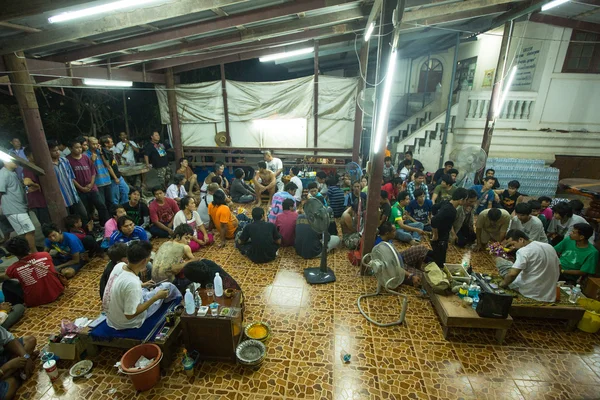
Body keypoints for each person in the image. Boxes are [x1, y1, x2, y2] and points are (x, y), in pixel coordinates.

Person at [103, 241, 180, 330]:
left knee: (145, 291)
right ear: (144, 261)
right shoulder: (132, 284)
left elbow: (122, 286)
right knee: (167, 286)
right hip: (127, 323)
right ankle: (179, 306)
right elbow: (130, 315)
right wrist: (156, 297)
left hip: (113, 319)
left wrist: (142, 285)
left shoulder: (119, 266)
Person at [496, 229, 559, 302]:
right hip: (549, 294)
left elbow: (512, 274)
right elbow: (559, 267)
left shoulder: (524, 250)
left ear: (521, 240)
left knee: (500, 261)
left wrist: (502, 284)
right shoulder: (549, 246)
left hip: (530, 292)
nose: (514, 247)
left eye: (513, 244)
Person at [1, 237, 64, 308]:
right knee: (52, 268)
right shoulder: (45, 255)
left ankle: (12, 307)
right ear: (28, 246)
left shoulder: (13, 268)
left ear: (12, 253)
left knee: (7, 284)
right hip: (57, 291)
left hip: (35, 301)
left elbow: (3, 277)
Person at [67, 139, 111, 225]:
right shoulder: (67, 160)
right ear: (70, 148)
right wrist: (81, 188)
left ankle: (105, 225)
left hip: (92, 187)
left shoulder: (85, 157)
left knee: (101, 206)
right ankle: (90, 229)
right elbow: (70, 177)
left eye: (80, 147)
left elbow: (93, 171)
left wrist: (91, 184)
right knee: (86, 211)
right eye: (76, 148)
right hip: (80, 190)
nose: (79, 149)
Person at [0, 159, 37, 253]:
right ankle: (34, 253)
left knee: (28, 231)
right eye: (13, 161)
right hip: (13, 209)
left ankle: (30, 253)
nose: (16, 163)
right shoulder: (3, 174)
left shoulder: (13, 173)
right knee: (29, 230)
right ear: (5, 161)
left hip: (20, 207)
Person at [48, 141, 88, 223]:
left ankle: (87, 232)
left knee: (83, 214)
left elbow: (71, 177)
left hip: (73, 194)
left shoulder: (64, 160)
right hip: (62, 197)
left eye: (58, 150)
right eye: (54, 151)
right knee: (68, 220)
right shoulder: (48, 165)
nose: (57, 152)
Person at [430, 188, 468, 268]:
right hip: (441, 237)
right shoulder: (450, 210)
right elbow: (434, 221)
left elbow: (434, 208)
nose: (465, 202)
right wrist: (435, 235)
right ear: (461, 200)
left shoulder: (446, 202)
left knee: (437, 255)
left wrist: (453, 234)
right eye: (465, 200)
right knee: (440, 263)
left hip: (443, 233)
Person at [151, 224, 197, 290]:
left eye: (190, 239)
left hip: (154, 284)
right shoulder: (185, 247)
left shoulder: (165, 243)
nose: (189, 241)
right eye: (186, 238)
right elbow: (194, 262)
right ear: (178, 236)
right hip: (169, 284)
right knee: (195, 274)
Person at [0, 325, 37, 399]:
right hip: (3, 367)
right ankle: (16, 374)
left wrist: (26, 356)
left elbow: (9, 340)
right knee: (6, 394)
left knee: (30, 340)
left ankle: (14, 371)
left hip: (3, 356)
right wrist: (8, 366)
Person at [21, 147, 50, 225]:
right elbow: (26, 181)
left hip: (42, 200)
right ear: (28, 157)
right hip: (38, 202)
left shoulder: (38, 165)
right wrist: (35, 185)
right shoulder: (28, 168)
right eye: (33, 155)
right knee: (46, 224)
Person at [100, 135, 130, 205]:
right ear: (106, 144)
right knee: (115, 197)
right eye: (111, 142)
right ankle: (116, 211)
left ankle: (124, 206)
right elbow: (108, 166)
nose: (113, 143)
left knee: (125, 190)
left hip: (118, 176)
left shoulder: (109, 151)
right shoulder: (104, 153)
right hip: (112, 178)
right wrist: (115, 178)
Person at [86, 136, 114, 209]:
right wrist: (92, 160)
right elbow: (87, 170)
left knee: (111, 202)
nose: (95, 146)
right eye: (93, 144)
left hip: (107, 180)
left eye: (96, 144)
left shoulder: (100, 152)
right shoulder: (86, 155)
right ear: (88, 144)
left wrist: (101, 153)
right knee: (102, 204)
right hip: (97, 182)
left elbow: (107, 165)